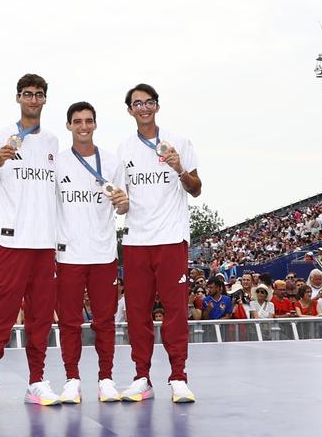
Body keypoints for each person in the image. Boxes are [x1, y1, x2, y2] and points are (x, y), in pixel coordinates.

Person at [0, 74, 60, 409]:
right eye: (27, 94)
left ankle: (36, 381)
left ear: (45, 100)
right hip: (9, 242)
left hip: (44, 244)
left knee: (39, 317)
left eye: (39, 95)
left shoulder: (52, 142)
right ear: (18, 98)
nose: (33, 100)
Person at [117, 83, 200, 404]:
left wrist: (179, 167)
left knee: (175, 311)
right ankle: (142, 376)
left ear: (157, 106)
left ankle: (178, 376)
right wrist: (118, 201)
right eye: (137, 103)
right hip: (137, 241)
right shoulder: (123, 150)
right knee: (137, 313)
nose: (143, 108)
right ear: (129, 111)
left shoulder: (179, 142)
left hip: (170, 238)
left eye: (148, 102)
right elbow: (122, 203)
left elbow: (196, 189)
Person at [53, 101, 127, 405]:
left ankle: (106, 378)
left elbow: (123, 206)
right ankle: (72, 379)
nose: (83, 126)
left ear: (95, 124)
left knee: (105, 320)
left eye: (89, 121)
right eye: (77, 121)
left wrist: (123, 203)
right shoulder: (56, 163)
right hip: (68, 255)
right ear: (69, 125)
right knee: (69, 322)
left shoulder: (111, 162)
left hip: (103, 254)